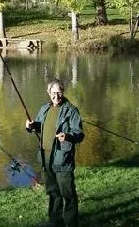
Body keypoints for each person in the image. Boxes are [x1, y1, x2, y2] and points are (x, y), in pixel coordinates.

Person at [25, 78, 84, 227]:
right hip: (46, 157)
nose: (56, 96)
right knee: (52, 192)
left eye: (59, 92)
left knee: (68, 194)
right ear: (48, 92)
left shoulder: (71, 110)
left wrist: (68, 136)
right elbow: (39, 127)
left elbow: (79, 134)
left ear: (63, 92)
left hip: (62, 158)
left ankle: (71, 223)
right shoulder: (44, 108)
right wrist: (31, 126)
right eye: (53, 93)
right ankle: (55, 222)